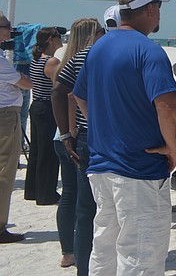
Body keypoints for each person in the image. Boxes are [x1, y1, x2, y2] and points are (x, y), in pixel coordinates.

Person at [73, 0, 176, 275]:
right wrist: (174, 149)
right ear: (149, 9)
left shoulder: (98, 47)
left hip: (102, 163)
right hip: (138, 167)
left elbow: (80, 94)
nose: (160, 15)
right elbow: (168, 106)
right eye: (158, 8)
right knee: (141, 253)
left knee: (105, 246)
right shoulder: (150, 51)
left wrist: (105, 129)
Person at [53, 16, 105, 275]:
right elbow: (68, 95)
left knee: (80, 203)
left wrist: (66, 134)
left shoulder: (72, 58)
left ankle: (76, 260)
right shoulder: (97, 55)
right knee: (99, 207)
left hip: (78, 137)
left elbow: (60, 91)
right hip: (95, 137)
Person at [0, 12, 34, 244]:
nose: (10, 31)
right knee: (5, 170)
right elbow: (24, 82)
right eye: (7, 26)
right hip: (5, 116)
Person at [24, 26, 63, 205]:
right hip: (47, 106)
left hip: (37, 105)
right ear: (50, 40)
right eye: (57, 36)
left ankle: (33, 190)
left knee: (37, 150)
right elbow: (58, 88)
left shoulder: (36, 59)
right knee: (48, 152)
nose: (60, 38)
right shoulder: (52, 61)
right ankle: (46, 193)